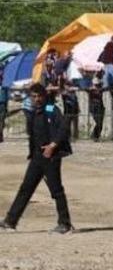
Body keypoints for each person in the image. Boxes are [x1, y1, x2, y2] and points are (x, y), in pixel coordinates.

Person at [0, 83, 73, 233]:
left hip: (50, 157)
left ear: (44, 96)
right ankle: (10, 220)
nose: (37, 99)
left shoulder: (49, 108)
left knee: (56, 190)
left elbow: (64, 126)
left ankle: (65, 224)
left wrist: (53, 145)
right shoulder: (34, 111)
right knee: (25, 188)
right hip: (37, 157)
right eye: (33, 96)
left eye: (39, 96)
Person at [59, 75, 80, 140]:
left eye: (69, 84)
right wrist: (68, 91)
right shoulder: (63, 91)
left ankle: (75, 137)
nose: (68, 86)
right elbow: (63, 94)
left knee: (75, 124)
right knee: (67, 125)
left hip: (74, 109)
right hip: (68, 109)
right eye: (67, 84)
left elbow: (77, 89)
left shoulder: (73, 92)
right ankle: (68, 137)